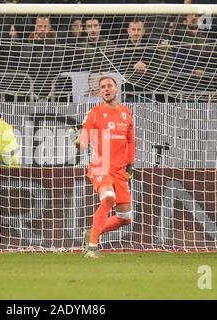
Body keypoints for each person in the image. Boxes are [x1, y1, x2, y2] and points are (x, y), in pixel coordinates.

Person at [69, 76, 134, 258]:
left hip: (120, 170)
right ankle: (92, 248)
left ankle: (92, 232)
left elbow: (130, 140)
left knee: (125, 218)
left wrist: (131, 164)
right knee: (108, 198)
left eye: (109, 86)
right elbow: (85, 136)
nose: (106, 89)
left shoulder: (126, 113)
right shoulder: (94, 113)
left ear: (116, 89)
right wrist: (79, 143)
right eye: (102, 87)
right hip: (100, 165)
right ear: (99, 92)